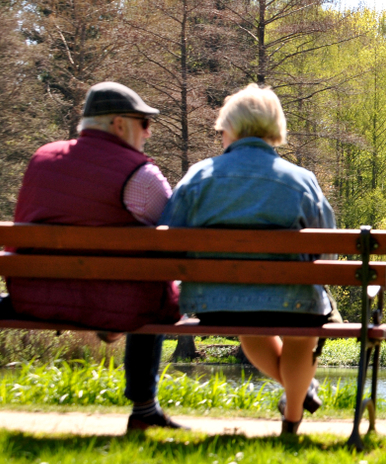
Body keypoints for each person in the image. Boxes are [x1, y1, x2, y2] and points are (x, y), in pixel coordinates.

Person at [160, 83, 339, 435]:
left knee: (250, 322)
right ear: (275, 128)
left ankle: (298, 391)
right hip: (294, 302)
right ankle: (292, 418)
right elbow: (326, 252)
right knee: (303, 331)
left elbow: (169, 238)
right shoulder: (302, 181)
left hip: (217, 303)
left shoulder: (198, 176)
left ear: (229, 129)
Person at [7, 82, 184, 432]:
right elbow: (174, 236)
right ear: (120, 124)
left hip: (35, 298)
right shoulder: (141, 175)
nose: (148, 133)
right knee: (155, 286)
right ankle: (144, 407)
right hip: (123, 305)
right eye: (145, 123)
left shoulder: (42, 159)